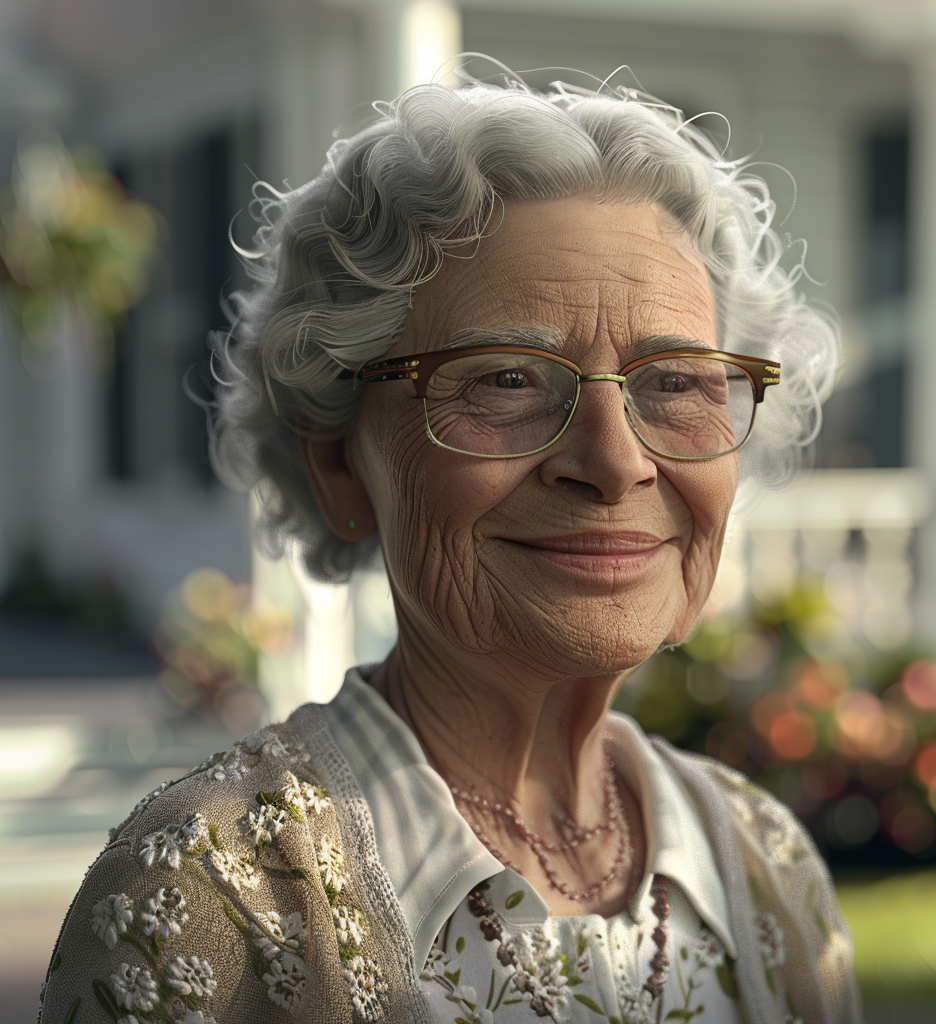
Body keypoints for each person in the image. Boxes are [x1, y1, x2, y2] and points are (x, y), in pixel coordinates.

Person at [39, 70, 857, 1024]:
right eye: (506, 378)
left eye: (675, 382)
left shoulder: (765, 868)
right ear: (343, 465)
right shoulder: (206, 904)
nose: (613, 460)